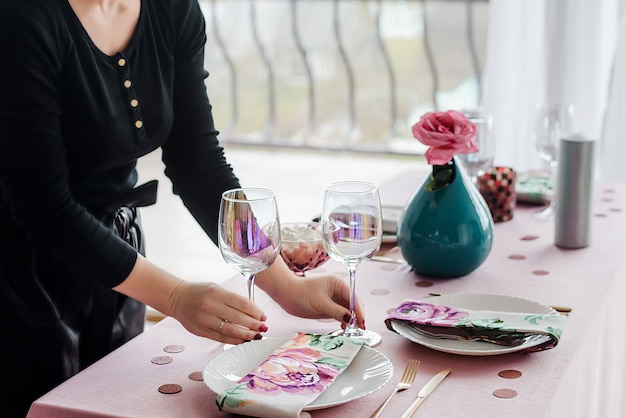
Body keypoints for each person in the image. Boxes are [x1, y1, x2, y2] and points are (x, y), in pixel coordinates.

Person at [0, 0, 365, 416]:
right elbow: (45, 208)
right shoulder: (21, 19)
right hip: (20, 280)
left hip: (119, 265)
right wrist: (175, 297)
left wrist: (288, 287)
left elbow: (198, 161)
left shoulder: (172, 9)